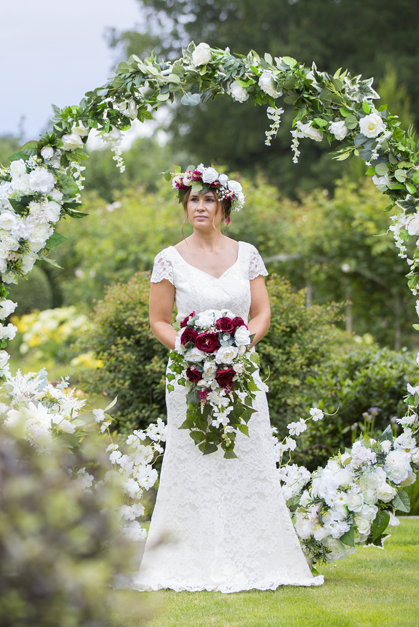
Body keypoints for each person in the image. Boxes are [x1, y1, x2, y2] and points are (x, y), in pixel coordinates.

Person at [128, 165, 323, 593]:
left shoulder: (247, 253)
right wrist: (190, 349)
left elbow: (262, 312)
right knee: (194, 457)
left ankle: (256, 553)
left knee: (247, 453)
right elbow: (159, 320)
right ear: (185, 206)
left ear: (224, 206)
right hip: (190, 374)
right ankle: (186, 556)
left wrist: (239, 347)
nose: (200, 206)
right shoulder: (169, 259)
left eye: (209, 199)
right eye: (193, 199)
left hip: (242, 374)